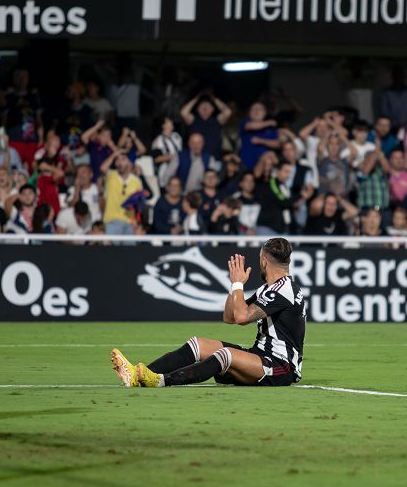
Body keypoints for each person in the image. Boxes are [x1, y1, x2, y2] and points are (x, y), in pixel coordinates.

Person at [113, 238, 305, 388]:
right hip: (260, 356)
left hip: (281, 366)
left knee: (226, 355)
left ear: (264, 262)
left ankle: (161, 380)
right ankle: (137, 374)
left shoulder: (285, 289)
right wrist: (234, 285)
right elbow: (229, 317)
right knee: (199, 344)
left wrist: (239, 283)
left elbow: (241, 317)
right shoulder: (269, 289)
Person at [101, 150, 143, 234]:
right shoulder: (111, 175)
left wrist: (136, 222)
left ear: (129, 163)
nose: (120, 162)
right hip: (112, 220)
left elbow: (138, 205)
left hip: (130, 222)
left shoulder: (136, 181)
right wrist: (114, 154)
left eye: (123, 159)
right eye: (118, 160)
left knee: (129, 247)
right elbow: (103, 168)